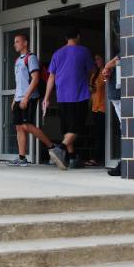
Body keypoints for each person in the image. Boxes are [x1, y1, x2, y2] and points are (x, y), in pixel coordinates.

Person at [42, 28, 94, 170]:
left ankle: (72, 158)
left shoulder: (57, 54)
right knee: (77, 127)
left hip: (62, 97)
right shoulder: (83, 51)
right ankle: (60, 148)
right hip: (79, 95)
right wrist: (87, 82)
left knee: (67, 128)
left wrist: (46, 97)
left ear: (66, 38)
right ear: (78, 36)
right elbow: (90, 70)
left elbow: (51, 77)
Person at [9, 33, 55, 166]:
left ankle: (52, 147)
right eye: (15, 42)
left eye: (17, 41)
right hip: (19, 98)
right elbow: (19, 82)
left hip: (29, 97)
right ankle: (22, 158)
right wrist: (15, 99)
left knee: (27, 125)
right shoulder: (18, 60)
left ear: (25, 43)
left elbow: (35, 79)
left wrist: (26, 97)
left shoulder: (31, 58)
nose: (15, 44)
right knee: (19, 127)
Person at [86, 54, 107, 167]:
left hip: (104, 108)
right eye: (95, 60)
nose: (96, 61)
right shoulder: (94, 74)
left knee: (100, 134)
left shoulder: (106, 71)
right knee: (97, 134)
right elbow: (91, 90)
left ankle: (96, 158)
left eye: (98, 59)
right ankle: (97, 157)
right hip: (95, 108)